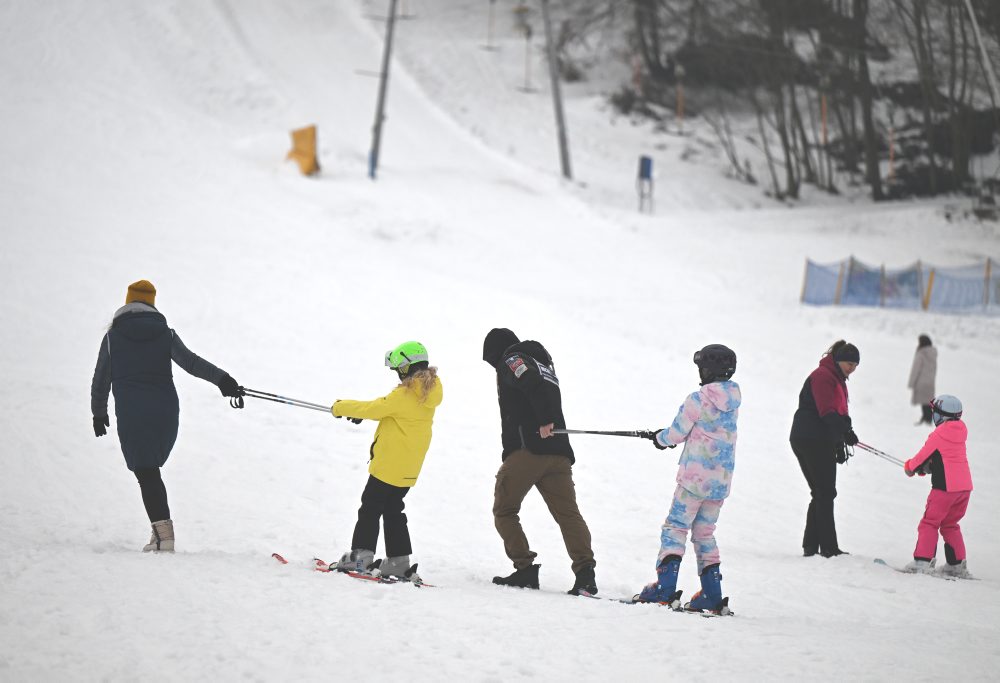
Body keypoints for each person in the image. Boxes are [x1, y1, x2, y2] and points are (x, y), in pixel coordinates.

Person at [91, 280, 242, 552]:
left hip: (133, 412)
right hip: (165, 411)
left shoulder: (113, 338)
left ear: (127, 303)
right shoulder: (165, 334)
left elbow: (101, 378)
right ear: (151, 304)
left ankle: (163, 537)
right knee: (151, 470)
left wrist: (98, 412)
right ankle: (160, 533)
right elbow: (192, 362)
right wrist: (223, 380)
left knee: (146, 472)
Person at [482, 328, 598, 596]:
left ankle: (524, 569)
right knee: (568, 514)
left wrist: (545, 420)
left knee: (504, 510)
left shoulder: (513, 360)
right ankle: (585, 575)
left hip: (528, 449)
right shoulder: (543, 362)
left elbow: (531, 382)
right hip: (558, 454)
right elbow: (540, 387)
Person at [635, 344, 741, 613]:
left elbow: (677, 433)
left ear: (708, 369)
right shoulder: (732, 400)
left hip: (693, 481)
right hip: (719, 483)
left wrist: (660, 439)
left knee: (675, 528)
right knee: (705, 534)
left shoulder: (699, 398)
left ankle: (664, 589)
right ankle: (712, 595)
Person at [332, 341, 443, 582]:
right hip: (408, 469)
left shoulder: (404, 394)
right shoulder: (428, 393)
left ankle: (360, 556)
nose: (397, 374)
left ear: (406, 367)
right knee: (394, 510)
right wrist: (363, 415)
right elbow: (391, 414)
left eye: (398, 369)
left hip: (388, 466)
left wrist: (341, 407)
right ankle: (398, 561)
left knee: (370, 507)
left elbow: (376, 408)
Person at [789, 340, 860, 558]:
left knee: (821, 492)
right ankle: (828, 548)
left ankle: (811, 546)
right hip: (811, 438)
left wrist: (841, 437)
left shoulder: (836, 378)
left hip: (817, 438)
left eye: (855, 365)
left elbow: (838, 412)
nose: (852, 369)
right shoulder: (823, 376)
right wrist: (843, 432)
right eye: (849, 363)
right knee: (825, 492)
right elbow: (827, 412)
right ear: (838, 360)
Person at [902, 395, 973, 577]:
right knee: (950, 524)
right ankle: (957, 565)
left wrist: (910, 467)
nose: (933, 416)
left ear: (941, 415)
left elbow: (921, 457)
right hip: (964, 489)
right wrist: (930, 467)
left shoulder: (939, 433)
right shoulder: (961, 430)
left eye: (934, 412)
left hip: (945, 489)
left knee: (929, 522)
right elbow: (946, 457)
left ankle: (922, 562)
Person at [908, 334, 937, 425]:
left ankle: (926, 419)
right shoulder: (933, 354)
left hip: (921, 382)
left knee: (924, 402)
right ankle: (927, 418)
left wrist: (911, 383)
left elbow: (916, 369)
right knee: (928, 402)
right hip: (930, 382)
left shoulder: (921, 354)